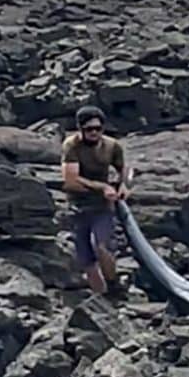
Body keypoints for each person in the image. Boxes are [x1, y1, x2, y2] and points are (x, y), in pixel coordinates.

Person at [61, 106, 130, 297]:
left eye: (98, 128)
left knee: (100, 245)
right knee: (86, 259)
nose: (94, 133)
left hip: (102, 206)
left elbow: (124, 169)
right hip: (78, 205)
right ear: (80, 129)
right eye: (89, 129)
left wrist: (124, 185)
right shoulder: (71, 146)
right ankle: (103, 298)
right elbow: (71, 178)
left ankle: (114, 285)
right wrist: (102, 187)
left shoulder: (112, 146)